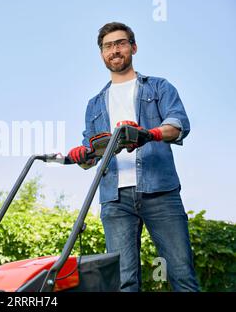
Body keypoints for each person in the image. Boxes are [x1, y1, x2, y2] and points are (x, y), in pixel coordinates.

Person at [68, 22, 199, 292]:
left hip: (160, 191)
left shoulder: (159, 88)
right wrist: (83, 155)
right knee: (123, 282)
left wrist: (148, 134)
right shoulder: (94, 104)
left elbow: (178, 125)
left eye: (120, 43)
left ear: (133, 47)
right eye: (108, 46)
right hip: (115, 199)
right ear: (102, 54)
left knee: (180, 273)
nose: (114, 50)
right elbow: (90, 154)